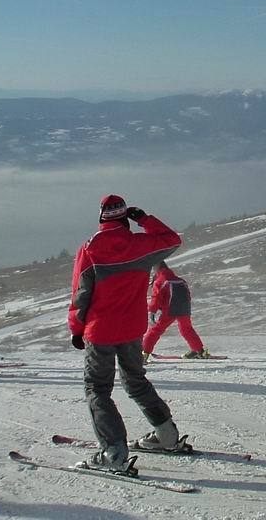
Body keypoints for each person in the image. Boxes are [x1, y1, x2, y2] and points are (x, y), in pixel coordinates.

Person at [68, 195, 185, 473]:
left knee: (98, 388)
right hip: (132, 329)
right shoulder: (141, 245)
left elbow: (81, 294)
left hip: (101, 330)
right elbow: (172, 240)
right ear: (125, 217)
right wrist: (144, 219)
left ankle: (113, 453)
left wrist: (76, 328)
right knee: (135, 380)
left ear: (101, 217)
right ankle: (167, 436)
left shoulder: (90, 248)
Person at [143, 261, 208, 361]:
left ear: (157, 268)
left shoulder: (161, 280)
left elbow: (156, 297)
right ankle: (200, 351)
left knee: (156, 330)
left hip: (170, 310)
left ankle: (144, 353)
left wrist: (152, 311)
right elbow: (188, 296)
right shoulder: (181, 281)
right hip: (184, 309)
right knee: (187, 329)